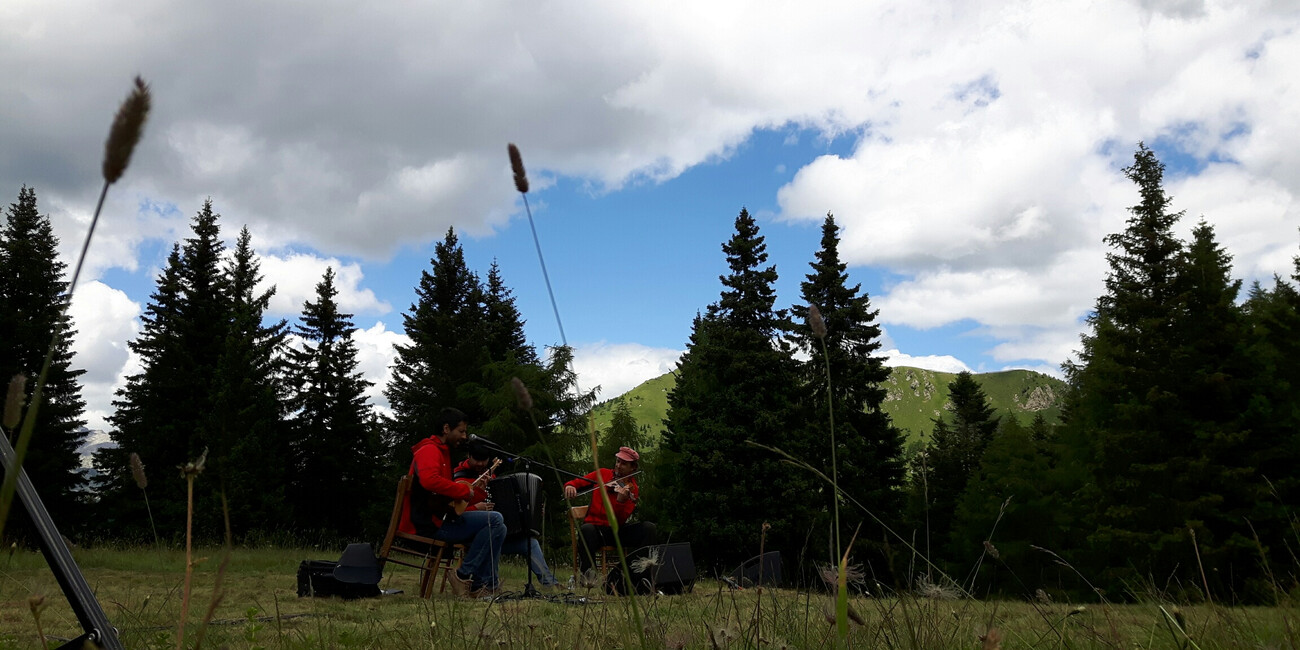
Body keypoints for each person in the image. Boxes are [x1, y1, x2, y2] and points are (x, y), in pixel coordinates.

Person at [398, 407, 505, 596]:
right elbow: (430, 481)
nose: (464, 436)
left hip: (442, 519)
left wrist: (476, 491)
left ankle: (479, 585)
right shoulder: (429, 450)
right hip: (427, 525)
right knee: (495, 521)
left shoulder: (443, 452)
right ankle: (466, 577)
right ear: (447, 429)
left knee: (498, 525)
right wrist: (463, 490)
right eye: (461, 431)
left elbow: (452, 499)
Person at [453, 441, 559, 589]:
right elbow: (454, 512)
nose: (480, 463)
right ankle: (486, 585)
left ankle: (550, 583)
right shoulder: (460, 478)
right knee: (494, 537)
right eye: (476, 459)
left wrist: (530, 511)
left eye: (483, 460)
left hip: (495, 531)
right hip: (475, 535)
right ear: (468, 456)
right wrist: (476, 507)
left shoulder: (491, 476)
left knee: (530, 542)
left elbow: (503, 508)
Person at [563, 446, 657, 575]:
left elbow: (620, 519)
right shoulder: (602, 474)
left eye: (624, 464)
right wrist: (570, 486)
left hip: (615, 531)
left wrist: (620, 501)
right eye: (618, 461)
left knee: (649, 528)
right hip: (595, 531)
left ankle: (639, 571)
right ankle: (589, 575)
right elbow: (577, 482)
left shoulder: (632, 488)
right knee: (586, 529)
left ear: (633, 468)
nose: (618, 466)